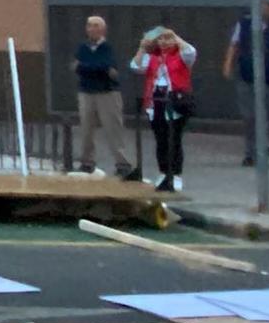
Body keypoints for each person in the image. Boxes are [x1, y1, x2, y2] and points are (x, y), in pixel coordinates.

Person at [223, 0, 269, 170]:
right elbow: (234, 45)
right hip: (248, 78)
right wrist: (227, 65)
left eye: (263, 5)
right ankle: (251, 154)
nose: (259, 8)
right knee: (250, 118)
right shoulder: (244, 24)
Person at [134, 27, 197, 193]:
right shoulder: (152, 57)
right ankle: (163, 172)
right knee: (160, 138)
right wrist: (142, 48)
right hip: (155, 100)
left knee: (174, 138)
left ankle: (176, 174)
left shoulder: (181, 55)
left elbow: (191, 51)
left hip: (175, 99)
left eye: (167, 38)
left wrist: (176, 37)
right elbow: (136, 66)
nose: (163, 42)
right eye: (160, 39)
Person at [74, 16, 135, 179]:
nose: (92, 29)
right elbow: (77, 67)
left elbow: (108, 67)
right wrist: (96, 68)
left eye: (96, 26)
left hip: (108, 93)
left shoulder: (109, 47)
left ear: (103, 29)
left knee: (113, 128)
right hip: (86, 92)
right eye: (90, 25)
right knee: (86, 128)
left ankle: (123, 164)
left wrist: (87, 67)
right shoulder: (83, 47)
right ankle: (87, 162)